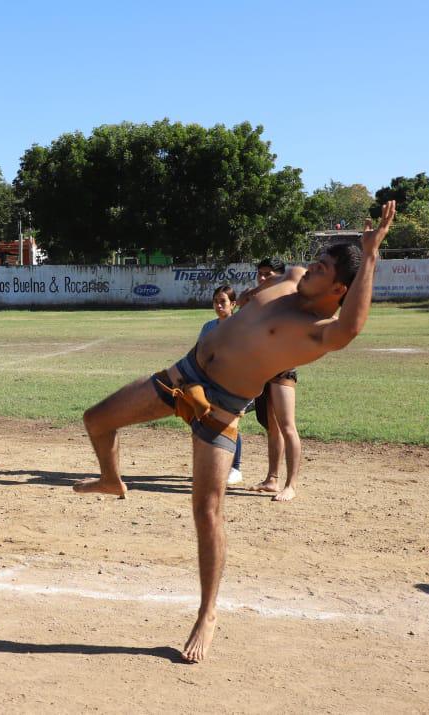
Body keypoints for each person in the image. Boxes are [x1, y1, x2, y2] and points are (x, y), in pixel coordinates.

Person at [73, 200, 396, 663]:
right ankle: (111, 478)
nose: (311, 269)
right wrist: (248, 297)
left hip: (220, 410)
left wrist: (370, 255)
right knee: (96, 419)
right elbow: (270, 286)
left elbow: (354, 324)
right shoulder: (290, 278)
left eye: (323, 268)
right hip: (182, 376)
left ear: (339, 287)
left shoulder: (319, 330)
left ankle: (207, 614)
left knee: (207, 511)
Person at [243, 259, 303, 501]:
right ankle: (272, 479)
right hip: (262, 368)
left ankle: (291, 485)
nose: (262, 279)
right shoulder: (257, 300)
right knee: (272, 428)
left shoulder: (288, 299)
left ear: (280, 277)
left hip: (282, 367)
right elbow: (240, 303)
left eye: (268, 274)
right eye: (259, 274)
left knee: (287, 426)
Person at [198, 285, 243, 486]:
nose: (218, 305)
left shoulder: (241, 326)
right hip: (211, 383)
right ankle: (216, 464)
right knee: (211, 423)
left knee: (230, 422)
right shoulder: (208, 327)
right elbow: (200, 355)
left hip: (235, 383)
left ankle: (235, 468)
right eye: (216, 301)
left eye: (223, 301)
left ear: (233, 304)